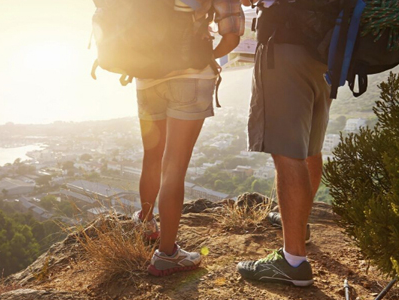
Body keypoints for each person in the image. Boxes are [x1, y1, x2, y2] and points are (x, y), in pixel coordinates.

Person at [131, 0, 245, 277]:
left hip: (146, 76)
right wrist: (206, 57)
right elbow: (232, 35)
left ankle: (146, 223)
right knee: (175, 165)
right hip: (190, 79)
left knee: (153, 154)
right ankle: (167, 254)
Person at [236, 0, 332, 287]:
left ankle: (293, 260)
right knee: (310, 148)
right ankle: (298, 228)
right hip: (326, 50)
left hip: (286, 45)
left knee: (289, 155)